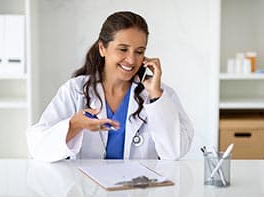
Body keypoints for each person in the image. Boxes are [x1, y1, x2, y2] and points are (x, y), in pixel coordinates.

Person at [26, 11, 194, 162]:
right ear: (102, 48)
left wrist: (156, 96)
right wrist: (75, 125)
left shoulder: (159, 94)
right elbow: (37, 148)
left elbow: (174, 152)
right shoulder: (75, 91)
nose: (131, 60)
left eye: (139, 51)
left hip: (140, 192)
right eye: (123, 49)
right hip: (88, 192)